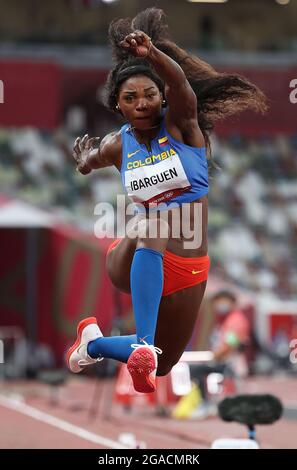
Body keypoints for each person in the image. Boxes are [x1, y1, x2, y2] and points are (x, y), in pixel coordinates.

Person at [66, 8, 266, 393]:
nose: (141, 103)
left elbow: (182, 88)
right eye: (130, 98)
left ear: (162, 99)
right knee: (154, 224)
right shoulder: (116, 144)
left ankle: (92, 343)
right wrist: (84, 162)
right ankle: (142, 341)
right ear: (118, 105)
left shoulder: (182, 126)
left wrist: (153, 54)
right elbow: (89, 161)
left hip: (190, 266)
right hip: (135, 255)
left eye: (150, 95)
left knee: (163, 363)